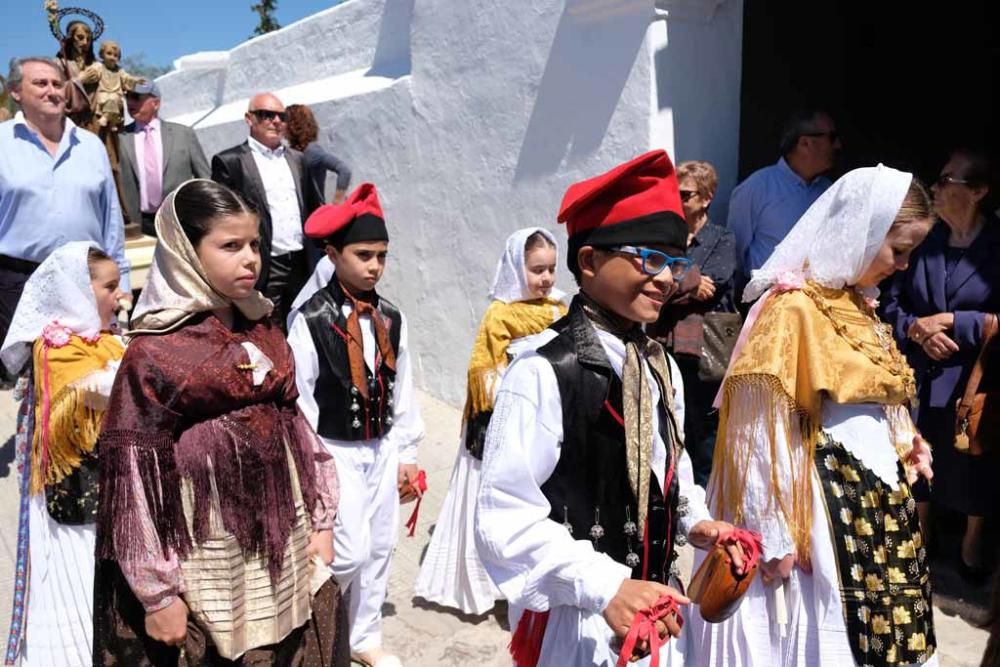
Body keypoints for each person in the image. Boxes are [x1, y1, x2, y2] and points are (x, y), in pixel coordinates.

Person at [475, 150, 748, 667]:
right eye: (648, 259)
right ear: (590, 261)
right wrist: (606, 585)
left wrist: (696, 522)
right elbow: (503, 517)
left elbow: (669, 472)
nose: (666, 279)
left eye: (675, 262)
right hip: (583, 616)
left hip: (656, 612)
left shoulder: (661, 366)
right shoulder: (542, 370)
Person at [691, 165, 937, 666]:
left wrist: (906, 440)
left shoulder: (860, 304)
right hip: (820, 506)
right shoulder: (793, 307)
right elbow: (758, 430)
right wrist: (773, 531)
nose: (905, 266)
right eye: (899, 250)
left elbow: (875, 395)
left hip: (877, 502)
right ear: (864, 233)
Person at [92, 179, 345, 665]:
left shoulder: (263, 328)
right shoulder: (154, 353)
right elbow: (133, 482)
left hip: (281, 546)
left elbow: (298, 430)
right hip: (206, 558)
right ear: (186, 251)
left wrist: (322, 518)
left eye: (254, 244)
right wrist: (158, 595)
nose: (250, 258)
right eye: (230, 245)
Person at [288, 183, 425, 667]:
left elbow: (403, 386)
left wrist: (406, 452)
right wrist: (311, 466)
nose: (374, 266)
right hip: (334, 449)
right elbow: (300, 399)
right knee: (346, 552)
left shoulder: (392, 317)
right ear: (332, 253)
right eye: (363, 254)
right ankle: (324, 629)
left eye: (382, 256)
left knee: (381, 546)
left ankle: (363, 636)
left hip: (382, 445)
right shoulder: (311, 319)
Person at [415, 227, 567, 616]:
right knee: (492, 498)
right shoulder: (500, 314)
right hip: (501, 421)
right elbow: (483, 372)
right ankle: (479, 582)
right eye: (537, 270)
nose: (546, 278)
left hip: (545, 419)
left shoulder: (560, 309)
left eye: (551, 269)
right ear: (518, 267)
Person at [0, 242, 125, 666]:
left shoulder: (105, 342)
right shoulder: (56, 348)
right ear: (77, 291)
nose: (120, 296)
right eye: (110, 287)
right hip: (74, 497)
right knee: (78, 592)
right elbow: (92, 395)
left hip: (109, 492)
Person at [884, 148, 1000, 582]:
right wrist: (917, 329)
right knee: (917, 455)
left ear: (978, 192)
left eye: (946, 180)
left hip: (977, 377)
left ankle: (971, 545)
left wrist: (953, 322)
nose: (934, 188)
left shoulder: (996, 244)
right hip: (922, 372)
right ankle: (922, 534)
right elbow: (890, 302)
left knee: (975, 462)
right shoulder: (924, 241)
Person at [0, 56, 130, 380]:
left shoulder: (91, 146)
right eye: (40, 83)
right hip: (19, 281)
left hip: (86, 280)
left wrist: (121, 283)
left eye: (57, 84)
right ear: (16, 92)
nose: (52, 91)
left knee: (90, 372)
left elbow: (110, 220)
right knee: (33, 378)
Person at [648, 160, 737, 487]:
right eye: (675, 194)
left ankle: (705, 495)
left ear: (706, 198)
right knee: (666, 419)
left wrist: (674, 280)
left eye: (685, 195)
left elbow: (719, 280)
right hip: (665, 340)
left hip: (708, 342)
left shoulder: (722, 237)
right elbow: (652, 277)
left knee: (705, 426)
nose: (678, 200)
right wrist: (689, 282)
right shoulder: (665, 238)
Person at [211, 92, 323, 328]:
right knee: (265, 330)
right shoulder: (231, 161)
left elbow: (314, 206)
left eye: (282, 116)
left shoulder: (298, 159)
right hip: (263, 264)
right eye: (266, 115)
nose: (276, 121)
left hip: (302, 262)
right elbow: (222, 221)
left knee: (306, 326)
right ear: (249, 119)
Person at [727, 109, 840, 287]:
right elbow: (735, 251)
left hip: (816, 301)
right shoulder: (757, 187)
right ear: (805, 143)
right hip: (766, 300)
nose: (837, 146)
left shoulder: (831, 191)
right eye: (832, 137)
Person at [119, 80, 211, 235]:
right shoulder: (120, 137)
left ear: (155, 103)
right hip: (138, 224)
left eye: (136, 97)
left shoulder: (183, 134)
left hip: (179, 220)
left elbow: (205, 178)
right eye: (127, 97)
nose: (130, 102)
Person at [285, 103, 352, 203]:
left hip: (314, 213)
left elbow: (344, 171)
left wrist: (336, 202)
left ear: (293, 125)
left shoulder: (312, 151)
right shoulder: (292, 150)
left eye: (284, 120)